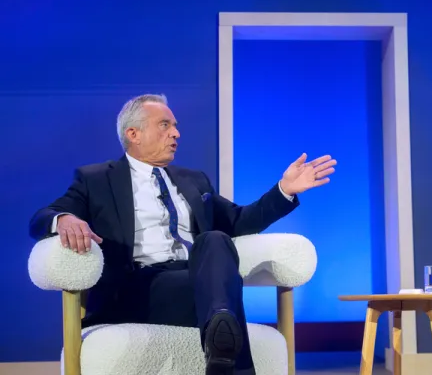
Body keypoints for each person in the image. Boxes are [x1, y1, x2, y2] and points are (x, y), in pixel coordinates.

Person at [29, 94, 337, 375]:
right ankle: (227, 344)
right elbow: (41, 217)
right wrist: (64, 219)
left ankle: (220, 338)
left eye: (175, 126)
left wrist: (284, 190)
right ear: (133, 134)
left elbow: (239, 221)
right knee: (224, 294)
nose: (176, 133)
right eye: (165, 125)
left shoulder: (193, 180)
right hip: (137, 288)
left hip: (197, 280)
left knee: (215, 240)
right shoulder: (96, 179)